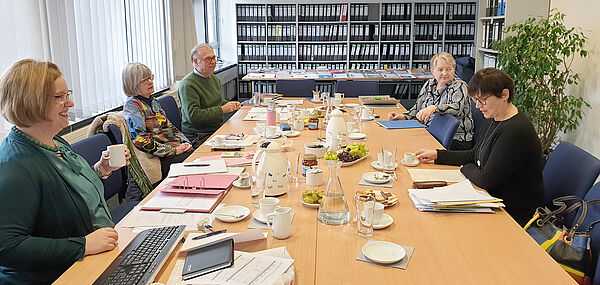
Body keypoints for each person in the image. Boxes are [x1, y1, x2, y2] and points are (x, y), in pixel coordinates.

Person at [0, 59, 131, 284]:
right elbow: (8, 247)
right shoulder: (16, 165)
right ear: (31, 102)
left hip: (98, 258)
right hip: (65, 275)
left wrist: (101, 170)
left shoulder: (55, 142)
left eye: (67, 94)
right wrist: (83, 245)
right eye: (59, 97)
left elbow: (65, 192)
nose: (70, 104)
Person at [415, 68, 544, 226]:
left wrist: (464, 168)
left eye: (482, 100)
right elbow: (474, 154)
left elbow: (485, 179)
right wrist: (438, 155)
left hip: (512, 214)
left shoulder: (516, 130)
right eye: (475, 100)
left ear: (504, 95)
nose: (477, 106)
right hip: (491, 199)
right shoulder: (495, 117)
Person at [122, 63, 193, 193]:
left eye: (150, 77)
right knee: (192, 160)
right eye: (144, 80)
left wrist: (185, 142)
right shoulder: (132, 107)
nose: (150, 82)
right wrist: (173, 151)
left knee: (194, 152)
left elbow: (170, 127)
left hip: (170, 148)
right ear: (133, 83)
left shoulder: (152, 101)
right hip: (157, 157)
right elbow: (140, 140)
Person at [388, 52, 474, 150]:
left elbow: (457, 108)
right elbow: (417, 108)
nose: (445, 73)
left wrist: (434, 108)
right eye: (440, 70)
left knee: (409, 147)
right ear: (432, 71)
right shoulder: (430, 84)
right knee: (399, 141)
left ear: (454, 70)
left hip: (456, 138)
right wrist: (403, 116)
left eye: (449, 69)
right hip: (431, 132)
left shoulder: (460, 86)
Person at [178, 43, 241, 147]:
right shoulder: (188, 85)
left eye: (213, 58)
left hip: (215, 128)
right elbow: (193, 116)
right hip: (198, 134)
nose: (213, 62)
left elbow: (216, 101)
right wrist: (222, 110)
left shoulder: (213, 78)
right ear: (195, 62)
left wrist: (230, 104)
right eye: (208, 59)